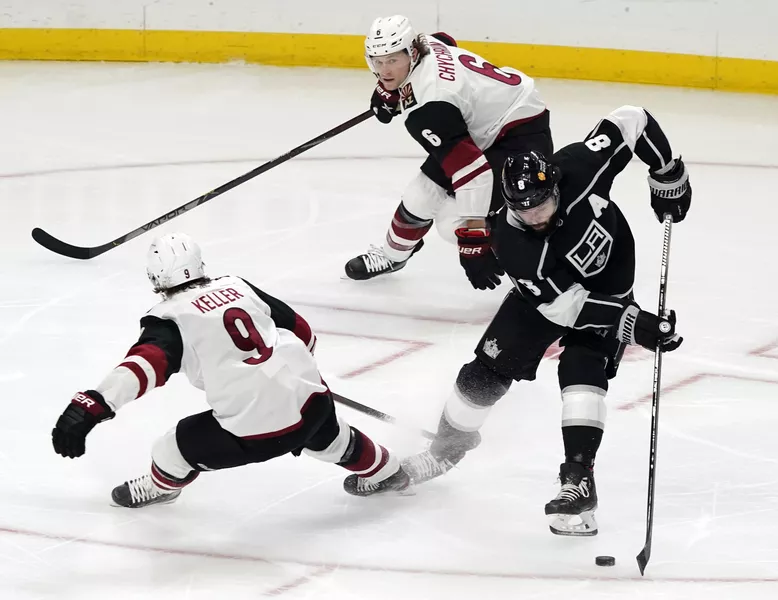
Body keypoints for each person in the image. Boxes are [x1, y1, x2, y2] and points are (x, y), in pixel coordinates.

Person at [401, 105, 691, 536]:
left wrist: (667, 172)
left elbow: (632, 120)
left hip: (608, 285)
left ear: (554, 183)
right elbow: (566, 309)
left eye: (542, 204)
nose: (536, 216)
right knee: (485, 372)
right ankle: (447, 449)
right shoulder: (513, 243)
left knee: (582, 368)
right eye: (524, 210)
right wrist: (636, 324)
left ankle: (578, 478)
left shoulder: (579, 166)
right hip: (548, 299)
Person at [52, 232, 410, 507]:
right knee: (330, 437)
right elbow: (304, 334)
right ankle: (388, 471)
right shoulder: (237, 286)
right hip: (313, 400)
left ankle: (162, 488)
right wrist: (289, 378)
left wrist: (92, 405)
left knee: (171, 449)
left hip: (256, 434)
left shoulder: (171, 318)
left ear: (157, 278)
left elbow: (142, 366)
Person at [344, 15, 553, 290]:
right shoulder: (426, 44)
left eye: (393, 60)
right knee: (419, 196)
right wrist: (393, 93)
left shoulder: (428, 110)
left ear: (412, 52)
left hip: (520, 134)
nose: (384, 70)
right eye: (378, 61)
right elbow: (445, 41)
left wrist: (474, 241)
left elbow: (474, 173)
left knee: (451, 223)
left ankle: (531, 263)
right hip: (484, 124)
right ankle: (392, 256)